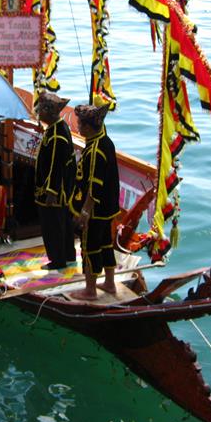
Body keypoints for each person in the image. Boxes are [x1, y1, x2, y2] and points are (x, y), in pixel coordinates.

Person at [70, 101, 120, 299]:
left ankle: (90, 290)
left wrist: (84, 212)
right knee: (105, 243)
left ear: (89, 128)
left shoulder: (95, 150)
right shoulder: (106, 141)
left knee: (90, 247)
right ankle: (109, 283)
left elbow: (94, 185)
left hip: (95, 211)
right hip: (108, 209)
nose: (78, 127)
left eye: (80, 124)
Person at [34, 90, 77, 270]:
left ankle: (58, 260)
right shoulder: (58, 127)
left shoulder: (57, 135)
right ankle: (68, 256)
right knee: (63, 223)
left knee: (53, 226)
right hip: (62, 190)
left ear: (49, 112)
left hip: (54, 192)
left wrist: (51, 192)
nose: (38, 112)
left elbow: (56, 166)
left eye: (40, 110)